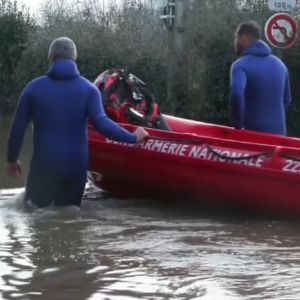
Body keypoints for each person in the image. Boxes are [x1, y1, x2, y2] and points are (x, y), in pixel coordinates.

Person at [6, 37, 148, 208]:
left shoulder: (34, 88)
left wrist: (12, 159)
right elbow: (102, 124)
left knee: (37, 219)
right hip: (76, 168)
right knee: (69, 216)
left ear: (51, 57)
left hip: (44, 167)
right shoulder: (89, 90)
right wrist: (132, 137)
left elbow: (18, 128)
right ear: (74, 59)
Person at [230, 21, 291, 135]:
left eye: (236, 38)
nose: (235, 42)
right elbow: (287, 99)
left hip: (252, 135)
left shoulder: (240, 65)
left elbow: (237, 94)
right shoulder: (280, 65)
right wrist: (273, 121)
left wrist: (238, 126)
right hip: (279, 135)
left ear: (243, 39)